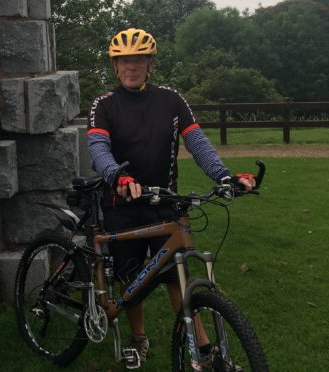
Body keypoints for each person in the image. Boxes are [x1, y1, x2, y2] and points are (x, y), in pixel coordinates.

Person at [87, 28, 255, 364]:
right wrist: (118, 176)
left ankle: (203, 347)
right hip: (123, 202)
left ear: (150, 64)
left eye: (138, 60)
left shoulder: (171, 100)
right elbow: (98, 147)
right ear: (115, 67)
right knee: (131, 277)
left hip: (165, 202)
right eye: (123, 61)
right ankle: (138, 339)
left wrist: (224, 176)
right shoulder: (104, 104)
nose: (131, 67)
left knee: (176, 275)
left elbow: (197, 142)